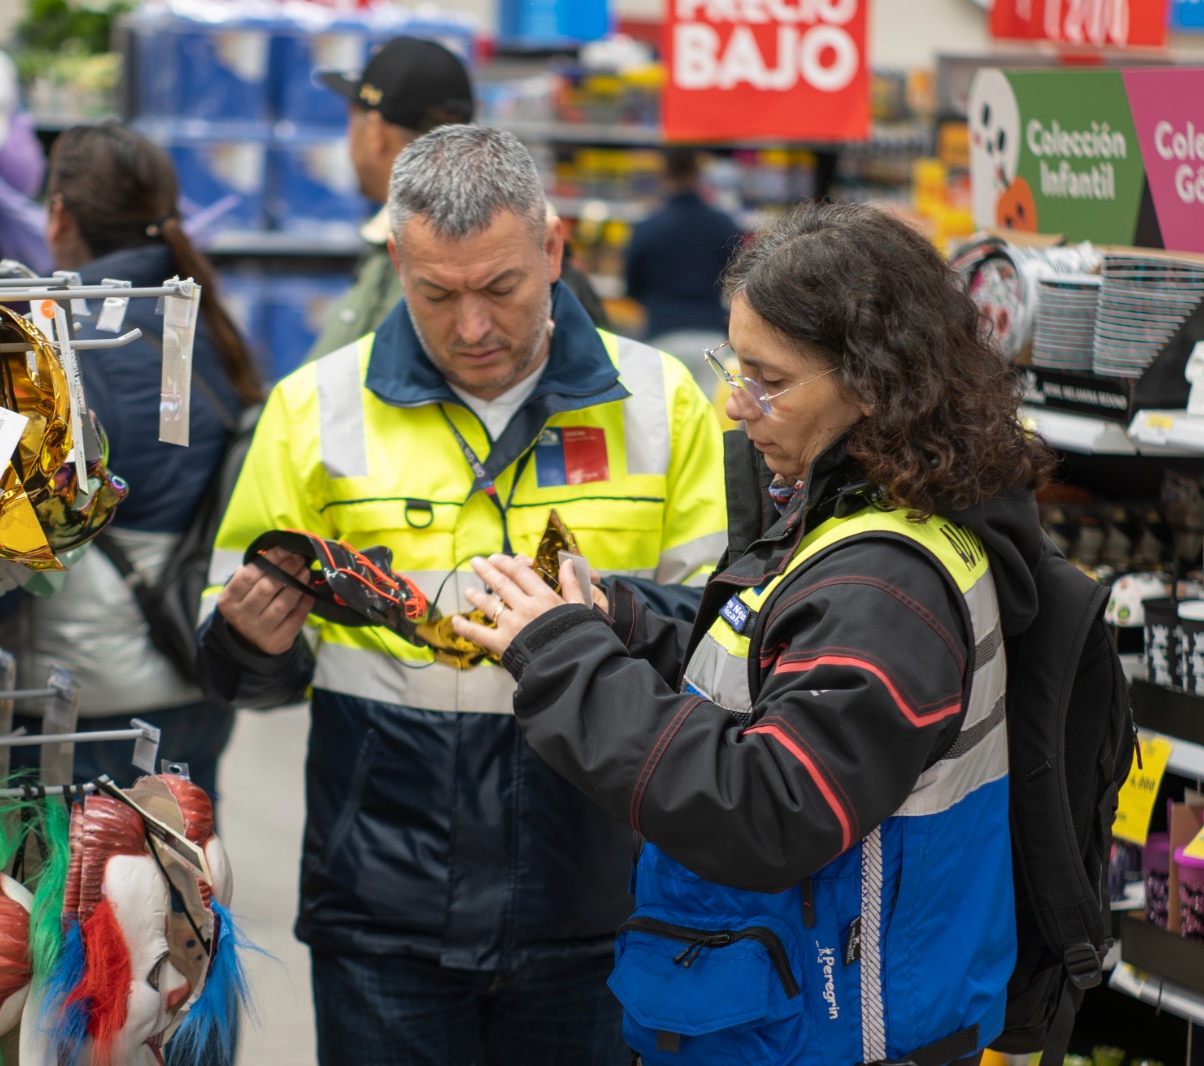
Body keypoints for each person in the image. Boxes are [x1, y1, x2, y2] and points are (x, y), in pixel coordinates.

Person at [452, 203, 1058, 1066]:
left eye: (767, 380)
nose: (736, 406)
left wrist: (560, 657)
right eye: (734, 368)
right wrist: (614, 620)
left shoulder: (884, 586)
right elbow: (762, 663)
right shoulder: (864, 513)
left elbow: (769, 806)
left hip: (831, 1030)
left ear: (872, 382)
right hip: (797, 1011)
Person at [198, 124, 726, 1065]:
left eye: (502, 288)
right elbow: (239, 669)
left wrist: (609, 618)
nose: (473, 327)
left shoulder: (664, 404)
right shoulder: (312, 409)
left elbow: (722, 642)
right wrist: (250, 638)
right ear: (397, 261)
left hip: (603, 899)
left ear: (554, 248)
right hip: (381, 907)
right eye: (438, 294)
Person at [0, 123, 264, 801]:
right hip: (194, 671)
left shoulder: (58, 352)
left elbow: (10, 544)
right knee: (186, 895)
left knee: (79, 901)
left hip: (86, 701)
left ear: (58, 216)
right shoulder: (205, 327)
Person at [307, 35, 608, 363]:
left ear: (375, 130)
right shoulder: (521, 238)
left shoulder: (431, 249)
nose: (472, 329)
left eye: (499, 288)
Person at [625, 147, 743, 346]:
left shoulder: (647, 227)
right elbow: (738, 278)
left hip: (663, 332)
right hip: (713, 332)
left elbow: (632, 286)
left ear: (664, 175)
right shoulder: (724, 224)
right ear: (697, 175)